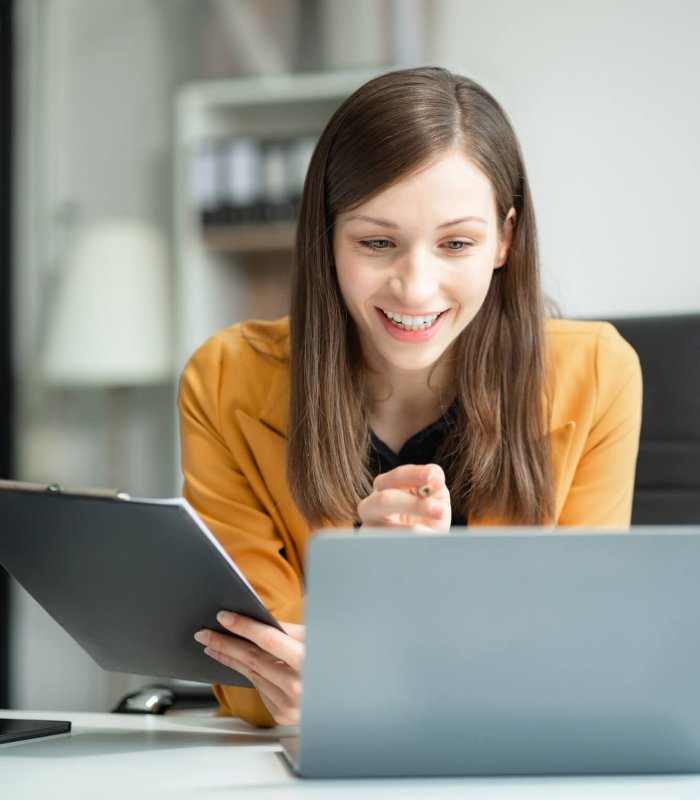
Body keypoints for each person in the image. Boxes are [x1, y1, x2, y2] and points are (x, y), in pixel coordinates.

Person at [182, 67, 642, 727]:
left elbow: (584, 651)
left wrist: (361, 656)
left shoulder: (598, 373)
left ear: (505, 240)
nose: (415, 288)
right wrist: (361, 585)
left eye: (457, 243)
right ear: (326, 239)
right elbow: (251, 668)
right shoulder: (225, 380)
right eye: (376, 242)